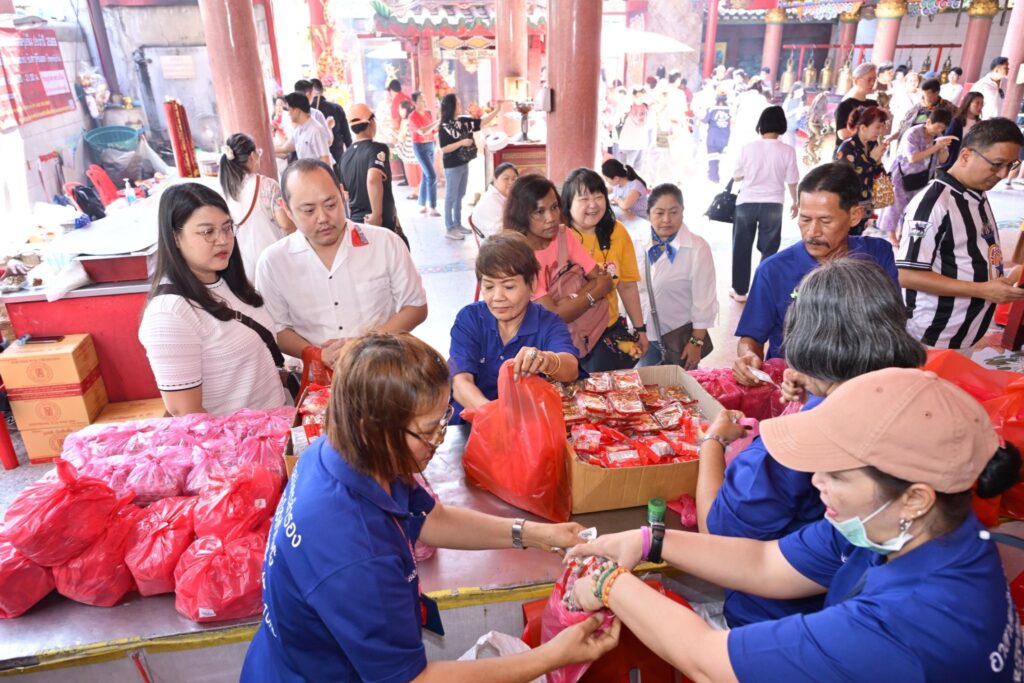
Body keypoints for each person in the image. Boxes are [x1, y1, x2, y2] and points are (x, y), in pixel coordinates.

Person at [566, 367, 1022, 683]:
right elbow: (767, 562)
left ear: (916, 497)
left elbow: (708, 662)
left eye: (837, 475)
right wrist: (649, 539)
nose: (817, 482)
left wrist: (609, 584)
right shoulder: (910, 530)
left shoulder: (904, 626)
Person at [241, 333, 620, 682]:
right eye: (426, 431)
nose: (438, 439)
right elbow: (414, 680)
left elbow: (428, 519)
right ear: (372, 427)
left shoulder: (338, 451)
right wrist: (552, 655)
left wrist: (536, 534)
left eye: (443, 420)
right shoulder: (357, 554)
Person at [699, 259, 927, 628]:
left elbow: (716, 536)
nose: (821, 481)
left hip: (774, 617)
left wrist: (712, 441)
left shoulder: (793, 444)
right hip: (850, 594)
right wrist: (815, 386)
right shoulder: (916, 396)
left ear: (801, 340)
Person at [733, 162, 898, 385]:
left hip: (863, 383)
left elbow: (892, 323)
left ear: (855, 215)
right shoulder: (773, 270)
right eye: (805, 219)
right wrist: (748, 357)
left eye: (825, 221)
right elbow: (751, 337)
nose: (812, 232)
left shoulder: (877, 254)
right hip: (795, 387)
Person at [255, 159, 427, 369]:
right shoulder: (273, 262)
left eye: (331, 205)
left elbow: (416, 307)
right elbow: (277, 328)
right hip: (317, 378)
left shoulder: (384, 243)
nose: (323, 218)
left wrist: (364, 345)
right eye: (308, 210)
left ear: (342, 193)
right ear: (287, 209)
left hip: (384, 370)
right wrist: (317, 354)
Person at [139, 183, 290, 416]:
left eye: (227, 228)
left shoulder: (229, 282)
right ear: (175, 237)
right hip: (239, 438)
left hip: (277, 423)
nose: (223, 240)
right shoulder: (169, 313)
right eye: (207, 232)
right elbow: (187, 414)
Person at [898, 118, 1024, 350]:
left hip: (963, 329)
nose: (1003, 174)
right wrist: (983, 290)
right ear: (965, 155)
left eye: (1011, 165)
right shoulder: (934, 204)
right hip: (934, 335)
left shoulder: (975, 192)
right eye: (997, 164)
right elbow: (907, 275)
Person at [449, 233, 580, 422]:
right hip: (471, 423)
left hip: (527, 424)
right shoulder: (470, 319)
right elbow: (460, 383)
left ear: (532, 284)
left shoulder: (548, 323)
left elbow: (571, 368)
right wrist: (496, 417)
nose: (497, 297)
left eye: (509, 287)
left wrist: (546, 360)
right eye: (489, 287)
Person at [503, 174, 615, 357]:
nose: (551, 218)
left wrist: (568, 300)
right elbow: (555, 315)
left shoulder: (564, 236)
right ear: (521, 215)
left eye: (554, 207)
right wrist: (593, 293)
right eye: (539, 212)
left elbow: (605, 280)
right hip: (532, 349)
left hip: (580, 336)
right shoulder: (517, 256)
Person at [562, 168, 649, 372]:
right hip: (566, 336)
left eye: (599, 197)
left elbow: (627, 286)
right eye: (584, 198)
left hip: (606, 331)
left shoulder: (617, 232)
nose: (593, 205)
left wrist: (640, 329)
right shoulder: (558, 238)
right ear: (568, 203)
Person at [635, 184, 718, 369]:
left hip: (677, 340)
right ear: (648, 214)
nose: (667, 219)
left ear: (682, 212)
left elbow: (704, 302)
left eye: (673, 212)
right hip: (639, 337)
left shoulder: (697, 248)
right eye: (659, 213)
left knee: (676, 385)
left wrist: (696, 342)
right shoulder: (637, 242)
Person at [730, 106, 799, 302]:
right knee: (769, 250)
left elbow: (736, 176)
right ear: (782, 125)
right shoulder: (787, 150)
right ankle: (762, 289)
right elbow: (792, 180)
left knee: (741, 247)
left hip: (746, 203)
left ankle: (740, 291)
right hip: (773, 203)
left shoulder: (748, 147)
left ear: (761, 124)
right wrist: (795, 201)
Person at [218, 133, 295, 275]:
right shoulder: (267, 186)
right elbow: (286, 224)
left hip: (245, 267)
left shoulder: (225, 192)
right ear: (252, 156)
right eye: (258, 152)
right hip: (274, 262)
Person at [877, 109, 954, 243]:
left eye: (942, 128)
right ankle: (892, 236)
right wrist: (936, 147)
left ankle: (904, 233)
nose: (939, 130)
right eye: (937, 127)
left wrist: (942, 149)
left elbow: (943, 160)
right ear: (928, 122)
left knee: (914, 207)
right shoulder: (912, 133)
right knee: (895, 206)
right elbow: (912, 158)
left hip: (923, 177)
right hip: (902, 174)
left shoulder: (938, 137)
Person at [337, 103, 404, 243]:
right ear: (372, 122)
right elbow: (373, 179)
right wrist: (376, 215)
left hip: (357, 223)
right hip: (379, 223)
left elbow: (346, 195)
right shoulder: (377, 148)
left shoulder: (345, 156)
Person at [438, 93, 500, 241]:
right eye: (457, 104)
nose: (460, 106)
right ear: (451, 106)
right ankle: (449, 228)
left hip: (464, 163)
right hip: (452, 166)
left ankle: (457, 224)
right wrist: (461, 143)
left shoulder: (463, 121)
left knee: (460, 195)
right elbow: (444, 148)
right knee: (450, 197)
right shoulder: (444, 126)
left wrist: (497, 110)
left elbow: (481, 122)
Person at [833, 105, 891, 235]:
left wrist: (878, 163)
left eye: (883, 126)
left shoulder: (873, 145)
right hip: (848, 207)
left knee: (858, 238)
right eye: (878, 127)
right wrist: (872, 160)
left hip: (866, 206)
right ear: (863, 128)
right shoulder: (846, 148)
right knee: (846, 239)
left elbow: (878, 177)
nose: (881, 131)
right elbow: (845, 180)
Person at [297, 78, 350, 173]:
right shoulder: (336, 108)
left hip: (311, 163)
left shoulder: (302, 112)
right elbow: (346, 136)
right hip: (336, 156)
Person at [891, 77, 957, 144]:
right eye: (922, 94)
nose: (923, 98)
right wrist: (892, 137)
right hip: (906, 143)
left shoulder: (948, 108)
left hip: (928, 146)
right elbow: (904, 125)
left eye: (927, 95)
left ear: (936, 93)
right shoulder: (918, 106)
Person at [275, 92, 332, 165]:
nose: (288, 114)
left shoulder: (316, 130)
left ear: (297, 111)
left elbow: (325, 161)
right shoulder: (299, 130)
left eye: (289, 110)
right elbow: (285, 148)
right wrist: (265, 148)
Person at [408, 90, 440, 217]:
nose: (424, 102)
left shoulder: (428, 114)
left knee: (426, 176)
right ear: (414, 103)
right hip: (420, 147)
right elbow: (422, 131)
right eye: (421, 100)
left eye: (424, 99)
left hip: (431, 145)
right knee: (432, 176)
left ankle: (422, 204)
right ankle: (433, 206)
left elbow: (433, 132)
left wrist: (438, 144)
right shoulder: (412, 117)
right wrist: (437, 121)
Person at [834, 62, 878, 143]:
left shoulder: (874, 104)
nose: (872, 83)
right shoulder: (846, 104)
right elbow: (842, 134)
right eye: (869, 80)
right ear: (856, 81)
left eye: (874, 80)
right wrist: (866, 131)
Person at [470, 162, 518, 236]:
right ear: (495, 179)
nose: (511, 182)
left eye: (514, 179)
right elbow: (500, 234)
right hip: (497, 241)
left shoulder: (505, 197)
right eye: (506, 178)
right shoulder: (490, 201)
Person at [942, 91, 985, 171]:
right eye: (977, 103)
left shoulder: (980, 124)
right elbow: (947, 141)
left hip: (970, 162)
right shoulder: (956, 121)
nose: (980, 107)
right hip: (952, 160)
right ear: (968, 103)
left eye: (982, 104)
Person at [617, 88, 651, 173]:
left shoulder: (646, 107)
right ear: (633, 96)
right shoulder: (627, 106)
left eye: (643, 97)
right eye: (638, 96)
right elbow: (619, 117)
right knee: (625, 169)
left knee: (637, 169)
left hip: (640, 143)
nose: (641, 99)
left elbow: (658, 102)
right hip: (627, 144)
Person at [704, 91, 732, 183]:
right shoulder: (730, 109)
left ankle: (714, 177)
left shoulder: (711, 109)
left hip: (713, 138)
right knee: (720, 159)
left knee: (713, 159)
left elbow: (705, 120)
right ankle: (714, 175)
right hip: (724, 138)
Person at [782, 82, 806, 147]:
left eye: (802, 91)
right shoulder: (788, 100)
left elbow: (798, 116)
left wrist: (803, 111)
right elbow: (784, 115)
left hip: (794, 127)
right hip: (787, 128)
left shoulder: (800, 100)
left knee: (791, 145)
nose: (802, 93)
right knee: (790, 146)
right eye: (801, 91)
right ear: (795, 91)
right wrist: (797, 109)